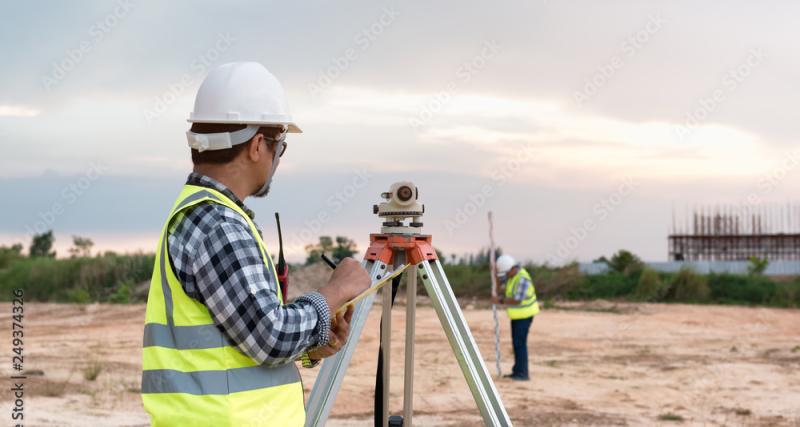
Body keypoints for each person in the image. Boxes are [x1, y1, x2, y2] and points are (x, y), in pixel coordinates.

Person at [140, 62, 371, 426]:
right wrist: (337, 290)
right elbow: (270, 336)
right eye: (281, 146)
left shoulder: (206, 215)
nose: (279, 159)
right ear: (258, 145)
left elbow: (238, 343)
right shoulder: (218, 223)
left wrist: (313, 344)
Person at [493, 254, 539, 381]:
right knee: (517, 344)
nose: (506, 275)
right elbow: (500, 286)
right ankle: (517, 371)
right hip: (517, 316)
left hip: (525, 316)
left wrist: (500, 301)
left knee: (520, 344)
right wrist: (495, 276)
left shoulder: (522, 278)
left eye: (506, 273)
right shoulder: (512, 277)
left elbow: (518, 300)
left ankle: (523, 374)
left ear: (512, 268)